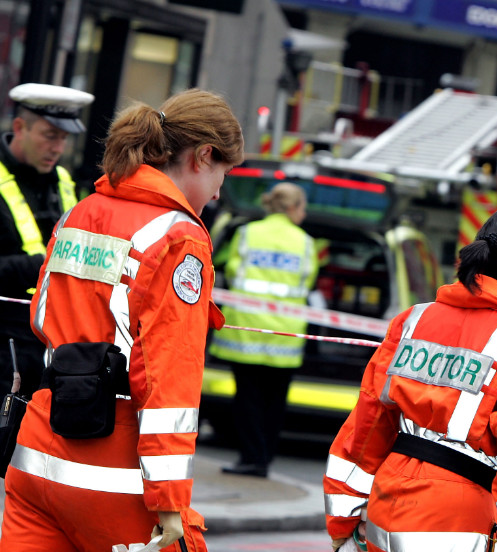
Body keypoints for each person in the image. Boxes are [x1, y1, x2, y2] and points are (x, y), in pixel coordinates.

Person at [0, 88, 244, 551]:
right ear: (202, 156)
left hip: (37, 456)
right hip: (115, 470)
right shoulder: (179, 237)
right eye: (223, 174)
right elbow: (170, 373)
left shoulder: (79, 213)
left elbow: (41, 317)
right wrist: (169, 497)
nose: (217, 191)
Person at [323, 207, 497, 552]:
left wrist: (343, 523)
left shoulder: (413, 321)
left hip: (386, 505)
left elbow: (367, 424)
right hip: (455, 519)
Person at [209, 182, 316, 478]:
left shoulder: (246, 233)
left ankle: (251, 458)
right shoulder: (306, 242)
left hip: (246, 329)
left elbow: (231, 271)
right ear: (293, 208)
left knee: (248, 399)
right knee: (275, 402)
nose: (304, 215)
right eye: (303, 209)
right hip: (285, 334)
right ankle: (264, 458)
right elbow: (306, 283)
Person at [0, 83, 94, 399]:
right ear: (19, 127)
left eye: (64, 138)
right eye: (49, 135)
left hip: (47, 342)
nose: (58, 148)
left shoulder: (64, 182)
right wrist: (37, 267)